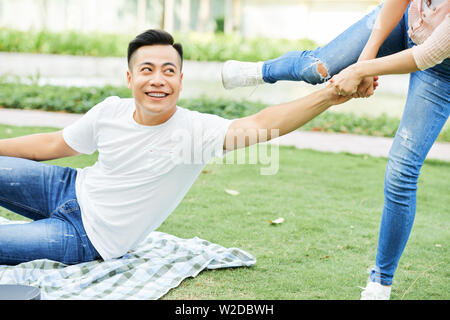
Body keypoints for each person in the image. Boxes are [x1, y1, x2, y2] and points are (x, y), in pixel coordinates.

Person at [0, 30, 360, 268]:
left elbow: (260, 124)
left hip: (85, 237)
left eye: (168, 71)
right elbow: (52, 143)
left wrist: (329, 94)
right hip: (67, 187)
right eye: (147, 69)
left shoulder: (195, 131)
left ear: (180, 80)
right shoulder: (110, 110)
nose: (158, 79)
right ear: (130, 78)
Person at [222, 0, 449, 300]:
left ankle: (380, 283)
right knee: (319, 67)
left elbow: (426, 55)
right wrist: (362, 61)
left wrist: (362, 69)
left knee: (401, 171)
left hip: (441, 70)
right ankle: (259, 71)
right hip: (404, 21)